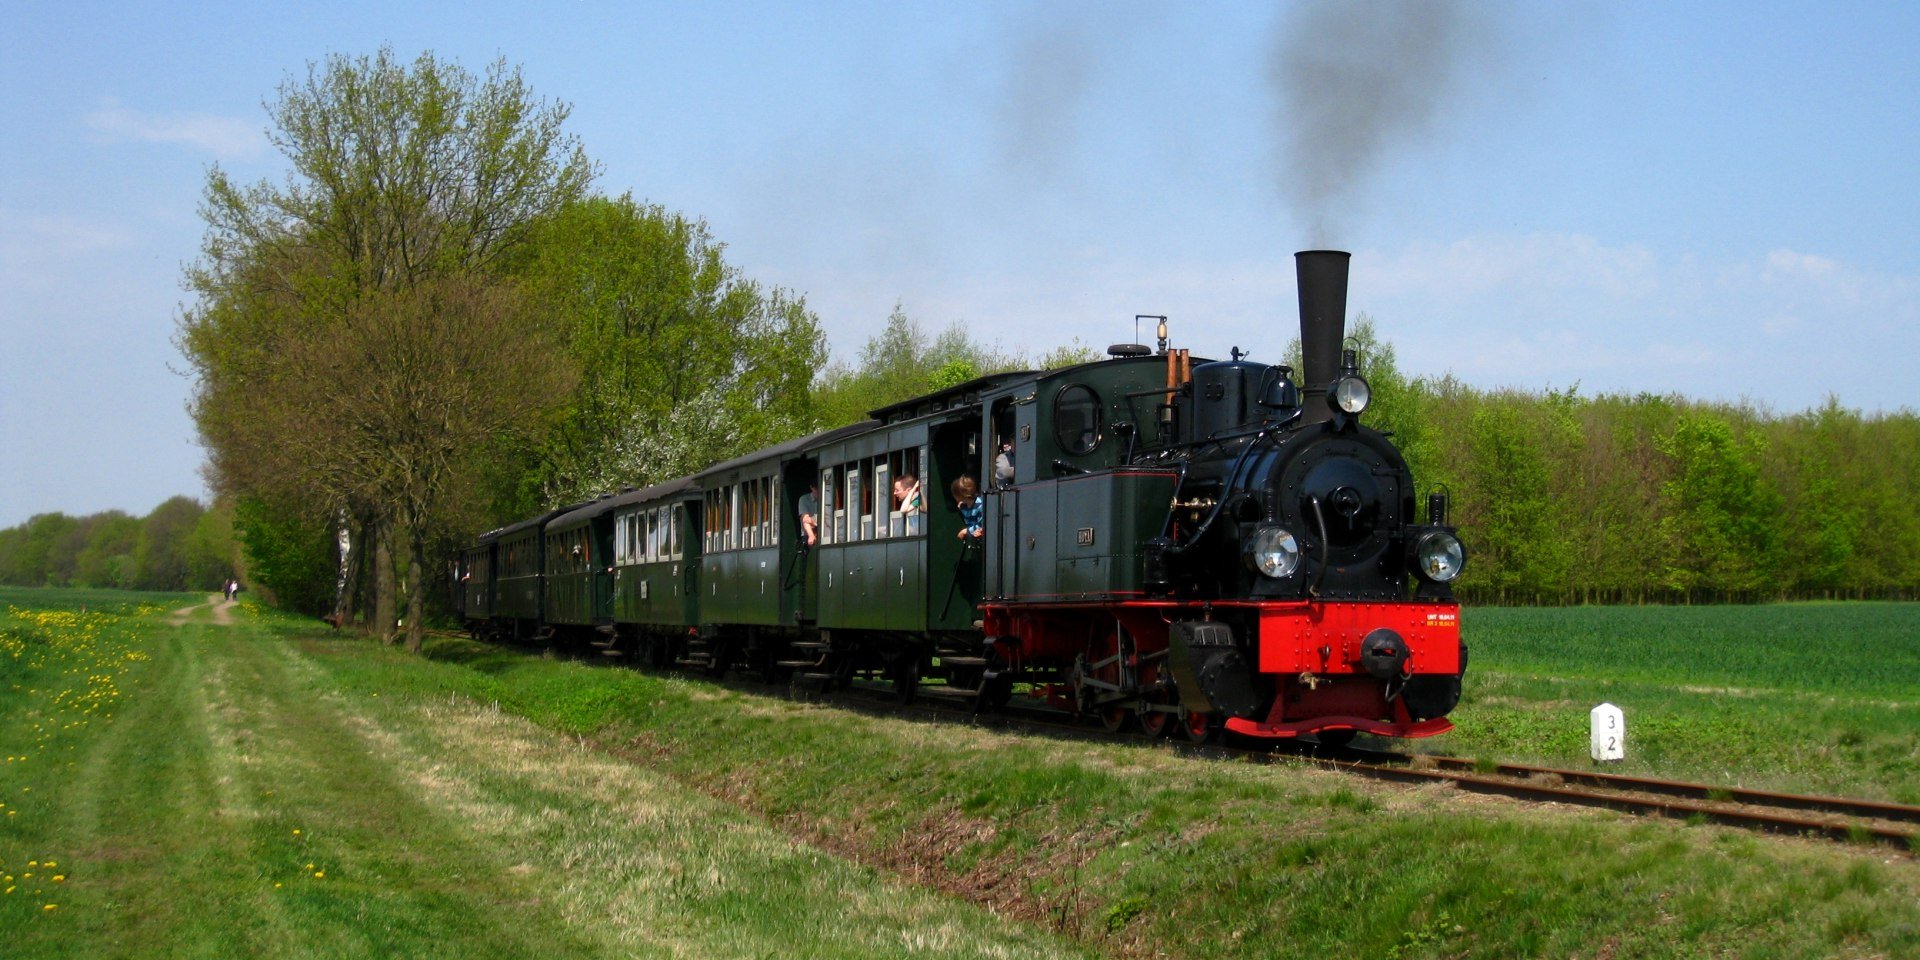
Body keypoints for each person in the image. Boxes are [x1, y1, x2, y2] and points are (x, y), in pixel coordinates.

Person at [798, 482, 820, 547]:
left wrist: (813, 522)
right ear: (811, 488)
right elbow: (805, 520)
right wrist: (811, 535)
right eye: (816, 489)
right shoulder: (804, 499)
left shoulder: (827, 499)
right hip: (808, 535)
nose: (818, 491)